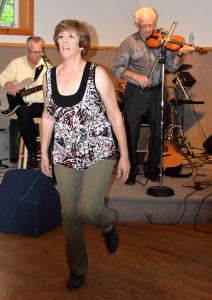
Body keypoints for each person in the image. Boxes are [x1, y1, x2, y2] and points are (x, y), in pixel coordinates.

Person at [41, 19, 130, 291]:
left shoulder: (98, 74)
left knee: (88, 210)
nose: (64, 41)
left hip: (99, 151)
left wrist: (125, 155)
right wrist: (44, 153)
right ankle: (77, 268)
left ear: (81, 43)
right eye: (60, 36)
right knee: (69, 216)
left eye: (70, 36)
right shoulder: (49, 76)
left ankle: (108, 221)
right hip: (64, 154)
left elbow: (115, 116)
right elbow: (47, 115)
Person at [111, 7, 195, 185]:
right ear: (137, 24)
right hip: (135, 94)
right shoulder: (129, 43)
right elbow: (117, 68)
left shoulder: (163, 42)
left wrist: (179, 54)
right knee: (131, 133)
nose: (149, 29)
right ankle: (131, 170)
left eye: (152, 25)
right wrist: (135, 76)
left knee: (158, 131)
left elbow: (172, 67)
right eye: (145, 26)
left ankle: (151, 169)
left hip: (158, 92)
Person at [0, 36, 50, 168]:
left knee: (53, 114)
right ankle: (33, 153)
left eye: (40, 51)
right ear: (27, 50)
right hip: (22, 104)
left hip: (41, 103)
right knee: (24, 113)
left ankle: (52, 157)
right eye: (34, 52)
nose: (37, 55)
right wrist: (9, 84)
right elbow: (2, 77)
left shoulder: (45, 66)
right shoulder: (16, 64)